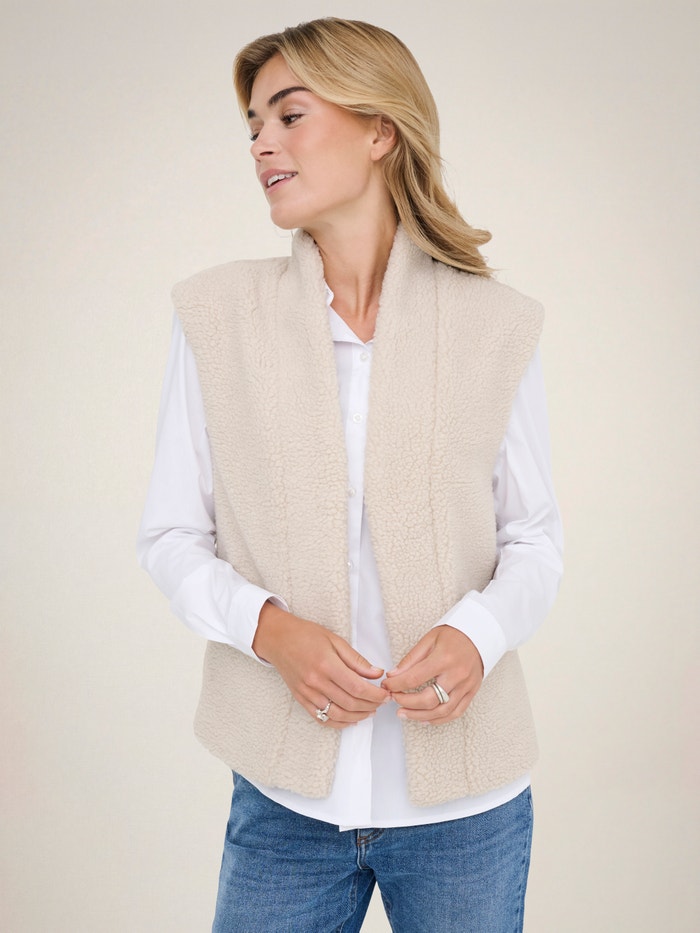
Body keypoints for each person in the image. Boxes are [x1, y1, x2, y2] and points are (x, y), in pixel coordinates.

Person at [137, 17, 562, 932]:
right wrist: (270, 631)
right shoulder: (217, 316)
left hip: (469, 811)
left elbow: (534, 539)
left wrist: (478, 634)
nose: (262, 142)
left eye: (290, 115)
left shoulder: (496, 325)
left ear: (380, 130)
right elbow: (171, 535)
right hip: (284, 802)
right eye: (254, 124)